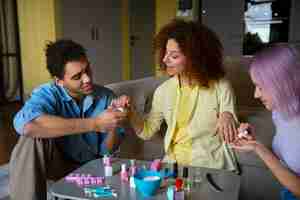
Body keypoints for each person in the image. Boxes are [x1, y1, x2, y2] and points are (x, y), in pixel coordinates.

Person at [9, 39, 128, 200]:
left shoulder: (106, 97)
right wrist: (94, 124)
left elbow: (107, 152)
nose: (87, 79)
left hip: (93, 167)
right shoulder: (47, 94)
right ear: (59, 81)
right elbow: (29, 125)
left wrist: (114, 121)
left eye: (87, 70)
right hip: (58, 164)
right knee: (31, 139)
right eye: (77, 76)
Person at [116, 19, 239, 169]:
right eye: (165, 53)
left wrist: (227, 115)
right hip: (172, 165)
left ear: (195, 59)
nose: (164, 59)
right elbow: (147, 131)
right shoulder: (163, 91)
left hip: (209, 165)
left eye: (174, 56)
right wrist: (130, 114)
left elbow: (232, 126)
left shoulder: (221, 86)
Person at [232, 44, 300, 199]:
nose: (256, 94)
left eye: (261, 87)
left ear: (282, 84)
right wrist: (257, 145)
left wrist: (259, 149)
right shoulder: (279, 112)